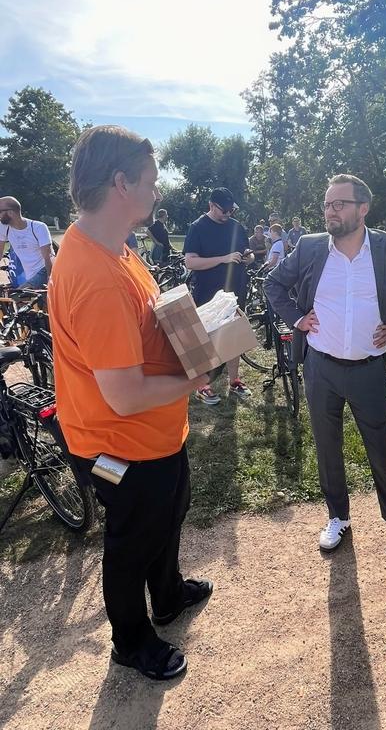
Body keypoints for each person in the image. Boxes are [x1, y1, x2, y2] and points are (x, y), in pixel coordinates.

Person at [48, 125, 213, 682]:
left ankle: (166, 595)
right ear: (121, 183)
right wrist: (196, 379)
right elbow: (123, 396)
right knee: (132, 541)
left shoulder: (116, 249)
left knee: (170, 514)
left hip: (157, 436)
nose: (157, 192)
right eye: (151, 181)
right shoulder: (94, 277)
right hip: (119, 443)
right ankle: (131, 639)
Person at [264, 174, 386, 553]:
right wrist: (296, 318)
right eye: (327, 204)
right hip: (320, 367)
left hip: (368, 368)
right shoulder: (309, 247)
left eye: (339, 203)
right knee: (327, 447)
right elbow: (273, 284)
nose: (330, 211)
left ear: (363, 208)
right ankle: (337, 516)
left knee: (382, 448)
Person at [185, 187, 254, 405]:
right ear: (211, 206)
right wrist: (223, 258)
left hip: (235, 290)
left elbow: (248, 253)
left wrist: (247, 259)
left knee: (234, 335)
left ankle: (234, 380)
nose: (227, 215)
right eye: (223, 211)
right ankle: (203, 385)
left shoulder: (236, 226)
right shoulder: (197, 228)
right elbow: (190, 261)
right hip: (208, 293)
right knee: (207, 340)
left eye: (230, 210)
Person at [0, 196, 54, 287]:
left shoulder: (38, 227)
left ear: (10, 213)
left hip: (44, 270)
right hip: (29, 274)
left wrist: (50, 278)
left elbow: (48, 257)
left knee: (18, 296)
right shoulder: (4, 227)